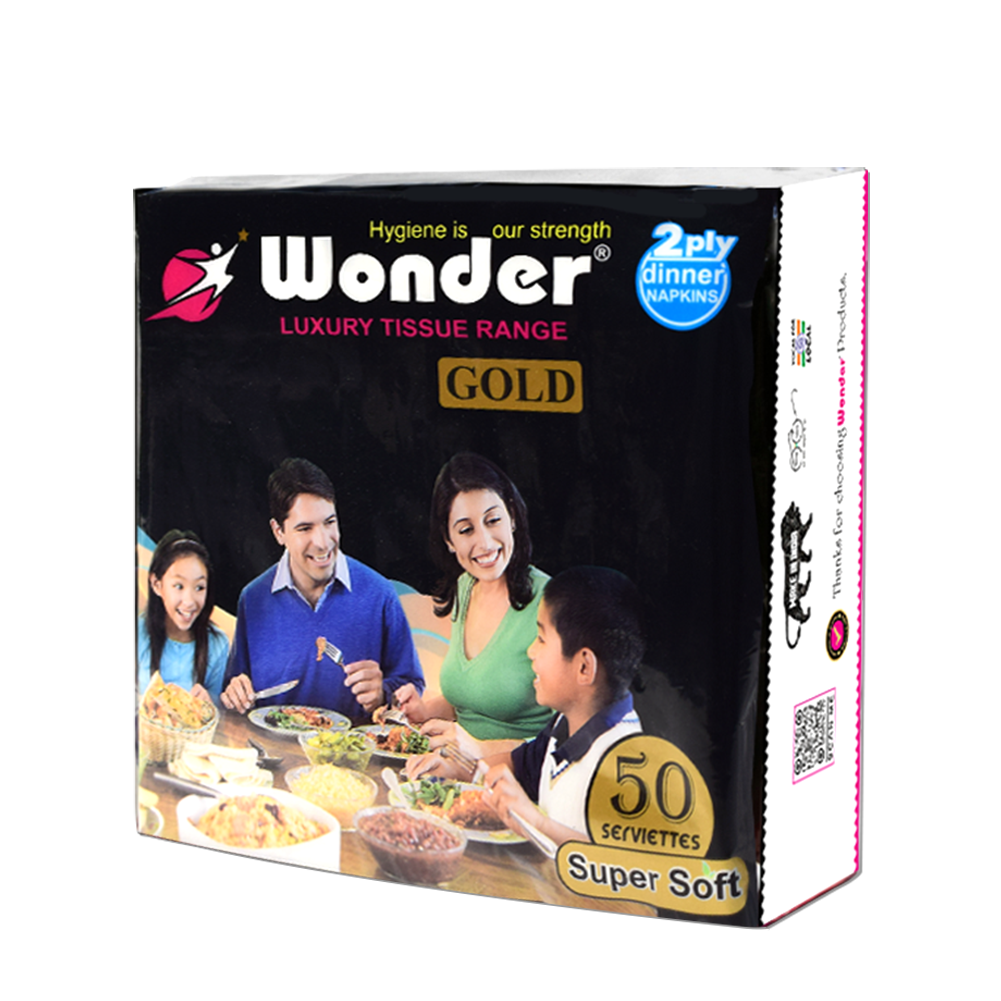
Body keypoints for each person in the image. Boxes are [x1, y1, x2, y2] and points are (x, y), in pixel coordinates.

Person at [408, 566, 644, 848]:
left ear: (584, 667)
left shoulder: (625, 759)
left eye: (541, 639)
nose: (531, 651)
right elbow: (520, 764)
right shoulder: (565, 723)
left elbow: (619, 860)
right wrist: (457, 770)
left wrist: (535, 821)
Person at [221, 458, 424, 721]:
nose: (322, 542)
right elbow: (234, 691)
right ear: (278, 532)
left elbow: (411, 686)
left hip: (352, 747)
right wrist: (235, 693)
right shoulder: (253, 600)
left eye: (329, 522)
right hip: (269, 747)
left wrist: (384, 695)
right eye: (305, 528)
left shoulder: (380, 595)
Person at [394, 453, 553, 744]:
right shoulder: (465, 587)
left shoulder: (551, 601)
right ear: (449, 540)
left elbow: (567, 737)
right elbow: (473, 702)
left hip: (520, 771)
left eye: (493, 520)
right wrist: (424, 711)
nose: (485, 542)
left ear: (512, 517)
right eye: (466, 530)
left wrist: (475, 750)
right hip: (458, 764)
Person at [138, 530, 228, 705]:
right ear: (157, 584)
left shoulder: (217, 644)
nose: (189, 601)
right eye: (179, 586)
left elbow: (216, 710)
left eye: (199, 587)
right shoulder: (137, 633)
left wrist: (209, 704)